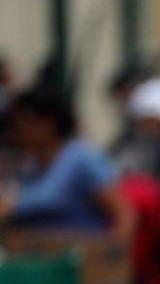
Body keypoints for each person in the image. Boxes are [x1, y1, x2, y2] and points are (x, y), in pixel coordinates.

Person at [0, 87, 131, 235]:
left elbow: (123, 214)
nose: (17, 132)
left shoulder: (82, 159)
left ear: (47, 123)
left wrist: (111, 253)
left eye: (23, 124)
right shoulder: (29, 167)